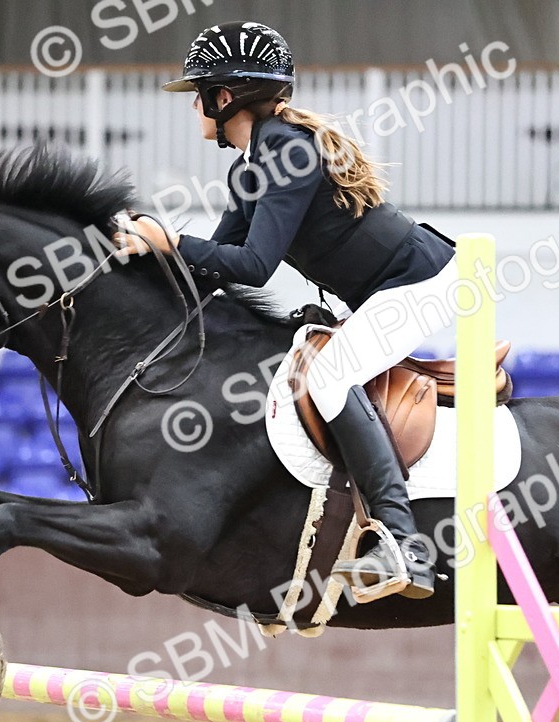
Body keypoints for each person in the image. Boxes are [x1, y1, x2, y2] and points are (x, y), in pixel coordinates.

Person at [116, 21, 459, 601]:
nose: (194, 105)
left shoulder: (287, 148)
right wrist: (137, 276)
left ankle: (405, 542)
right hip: (393, 288)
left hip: (423, 283)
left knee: (328, 377)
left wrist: (169, 240)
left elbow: (253, 266)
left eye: (198, 92)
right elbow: (217, 265)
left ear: (224, 98)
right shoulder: (251, 164)